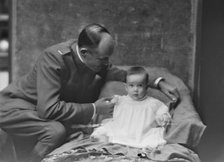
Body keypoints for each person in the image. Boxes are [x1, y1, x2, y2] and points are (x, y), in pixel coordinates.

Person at [0, 23, 179, 162]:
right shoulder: (54, 58)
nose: (106, 63)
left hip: (37, 110)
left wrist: (157, 82)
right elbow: (48, 110)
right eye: (103, 59)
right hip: (14, 106)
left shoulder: (89, 57)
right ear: (85, 52)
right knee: (55, 131)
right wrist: (94, 108)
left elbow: (116, 72)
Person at [91, 66, 171, 149]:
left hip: (143, 132)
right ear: (126, 87)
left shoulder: (153, 103)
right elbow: (107, 104)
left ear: (146, 87)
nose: (135, 89)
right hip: (122, 129)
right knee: (107, 130)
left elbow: (162, 110)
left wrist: (162, 116)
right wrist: (111, 102)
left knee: (153, 139)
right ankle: (104, 139)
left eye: (140, 85)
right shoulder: (121, 100)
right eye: (131, 85)